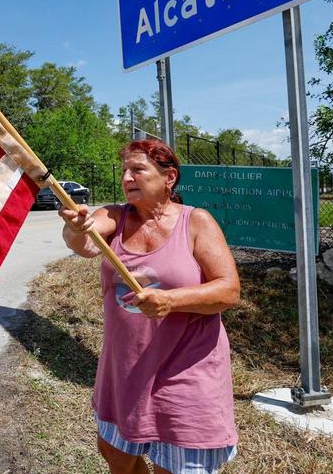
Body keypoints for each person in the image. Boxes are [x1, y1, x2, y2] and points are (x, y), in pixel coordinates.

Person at [59, 139, 240, 474]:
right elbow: (85, 242)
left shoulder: (196, 222)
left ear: (169, 177)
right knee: (116, 454)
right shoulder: (115, 216)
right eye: (125, 171)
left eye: (138, 169)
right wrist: (74, 228)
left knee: (177, 465)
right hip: (126, 367)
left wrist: (170, 300)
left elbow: (229, 291)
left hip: (187, 368)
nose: (127, 177)